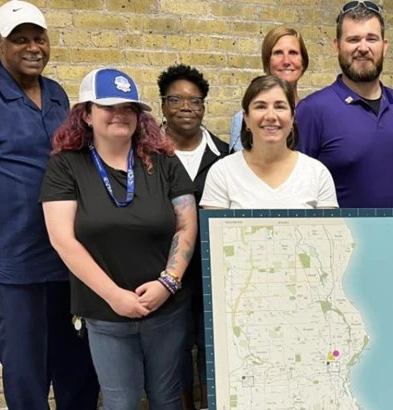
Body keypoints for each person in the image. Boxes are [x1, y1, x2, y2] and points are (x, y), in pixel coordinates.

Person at [40, 68, 197, 409]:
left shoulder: (164, 161)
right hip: (105, 314)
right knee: (120, 402)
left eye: (129, 107)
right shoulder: (66, 166)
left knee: (168, 398)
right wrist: (114, 297)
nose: (120, 114)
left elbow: (186, 225)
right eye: (108, 106)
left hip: (166, 310)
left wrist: (168, 283)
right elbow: (62, 239)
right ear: (86, 114)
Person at [0, 1, 99, 408]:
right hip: (9, 264)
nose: (33, 47)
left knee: (78, 370)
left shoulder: (55, 94)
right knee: (27, 377)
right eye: (19, 40)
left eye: (39, 38)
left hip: (65, 260)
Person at [296, 1, 393, 208]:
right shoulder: (312, 111)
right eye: (353, 39)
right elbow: (297, 189)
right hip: (339, 238)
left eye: (371, 39)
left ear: (385, 46)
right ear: (337, 46)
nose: (363, 48)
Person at [158, 63, 228, 410]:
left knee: (214, 350)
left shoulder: (226, 155)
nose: (187, 107)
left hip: (214, 275)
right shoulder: (144, 155)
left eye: (195, 101)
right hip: (165, 275)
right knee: (174, 356)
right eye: (177, 99)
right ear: (162, 105)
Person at [201, 75, 338, 209]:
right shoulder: (222, 172)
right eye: (260, 106)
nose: (271, 116)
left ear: (292, 118)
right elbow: (215, 231)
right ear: (246, 118)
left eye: (280, 106)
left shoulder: (317, 173)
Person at [229, 26, 309, 152]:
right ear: (267, 62)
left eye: (293, 53)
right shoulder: (244, 119)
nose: (286, 61)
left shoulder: (314, 114)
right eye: (278, 53)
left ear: (303, 63)